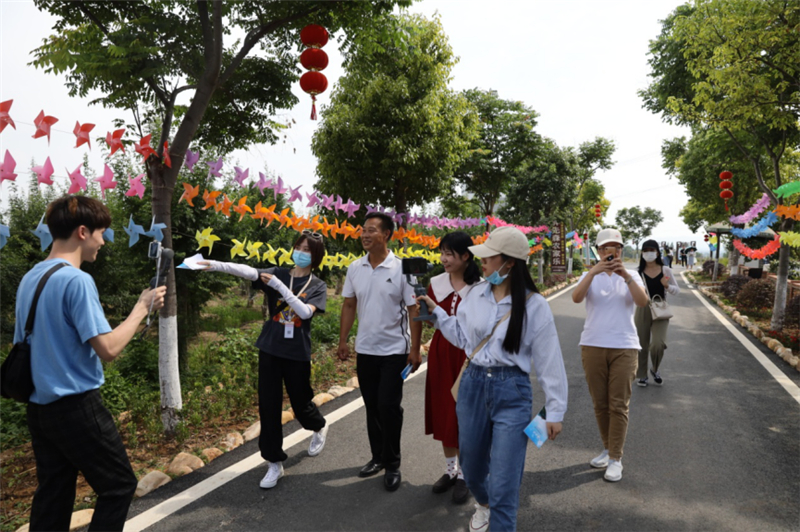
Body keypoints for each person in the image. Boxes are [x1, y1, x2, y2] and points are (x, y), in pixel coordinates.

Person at [16, 196, 166, 532]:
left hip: (39, 408)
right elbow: (108, 348)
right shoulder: (76, 280)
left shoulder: (30, 278)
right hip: (75, 406)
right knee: (119, 485)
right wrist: (141, 308)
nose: (103, 241)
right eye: (101, 233)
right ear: (83, 232)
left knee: (53, 494)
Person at [418, 226, 568, 532]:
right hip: (472, 385)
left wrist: (555, 410)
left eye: (489, 257)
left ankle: (498, 517)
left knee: (504, 480)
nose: (482, 262)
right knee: (471, 471)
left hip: (511, 390)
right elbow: (462, 337)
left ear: (509, 263)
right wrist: (438, 315)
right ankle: (483, 503)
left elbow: (550, 359)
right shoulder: (474, 294)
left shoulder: (534, 305)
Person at [200, 231, 329, 489]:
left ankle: (319, 426)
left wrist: (280, 288)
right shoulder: (278, 272)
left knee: (301, 403)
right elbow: (247, 271)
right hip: (270, 348)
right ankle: (273, 462)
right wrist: (214, 265)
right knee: (268, 407)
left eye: (307, 249)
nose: (301, 252)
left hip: (297, 353)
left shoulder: (318, 286)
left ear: (315, 257)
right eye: (299, 246)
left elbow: (304, 313)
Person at [337, 212, 422, 492]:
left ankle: (393, 463)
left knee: (388, 406)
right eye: (364, 230)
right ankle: (377, 457)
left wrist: (415, 348)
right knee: (372, 406)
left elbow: (413, 310)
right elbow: (349, 305)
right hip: (366, 350)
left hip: (395, 351)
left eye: (372, 230)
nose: (365, 235)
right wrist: (343, 341)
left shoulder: (402, 268)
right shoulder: (355, 268)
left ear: (387, 235)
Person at [571, 228, 648, 483]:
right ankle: (606, 449)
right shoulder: (589, 275)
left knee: (618, 405)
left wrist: (624, 275)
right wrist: (593, 272)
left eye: (615, 247)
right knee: (600, 403)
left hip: (624, 346)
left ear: (621, 251)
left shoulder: (633, 275)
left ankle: (616, 458)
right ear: (599, 251)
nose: (610, 252)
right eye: (605, 248)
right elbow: (576, 297)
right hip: (592, 345)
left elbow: (642, 302)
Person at [424, 231, 482, 504]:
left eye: (449, 253)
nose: (443, 259)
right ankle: (450, 470)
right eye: (442, 253)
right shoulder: (435, 283)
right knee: (444, 410)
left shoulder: (481, 287)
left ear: (466, 256)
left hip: (468, 355)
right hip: (440, 353)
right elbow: (427, 320)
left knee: (466, 415)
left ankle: (466, 476)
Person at [635, 240, 680, 387]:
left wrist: (666, 286)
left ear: (657, 252)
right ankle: (642, 375)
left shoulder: (666, 270)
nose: (649, 253)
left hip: (661, 307)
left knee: (658, 344)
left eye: (652, 250)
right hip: (642, 307)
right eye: (646, 250)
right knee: (641, 343)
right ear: (642, 253)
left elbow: (677, 290)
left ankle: (655, 369)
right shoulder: (638, 272)